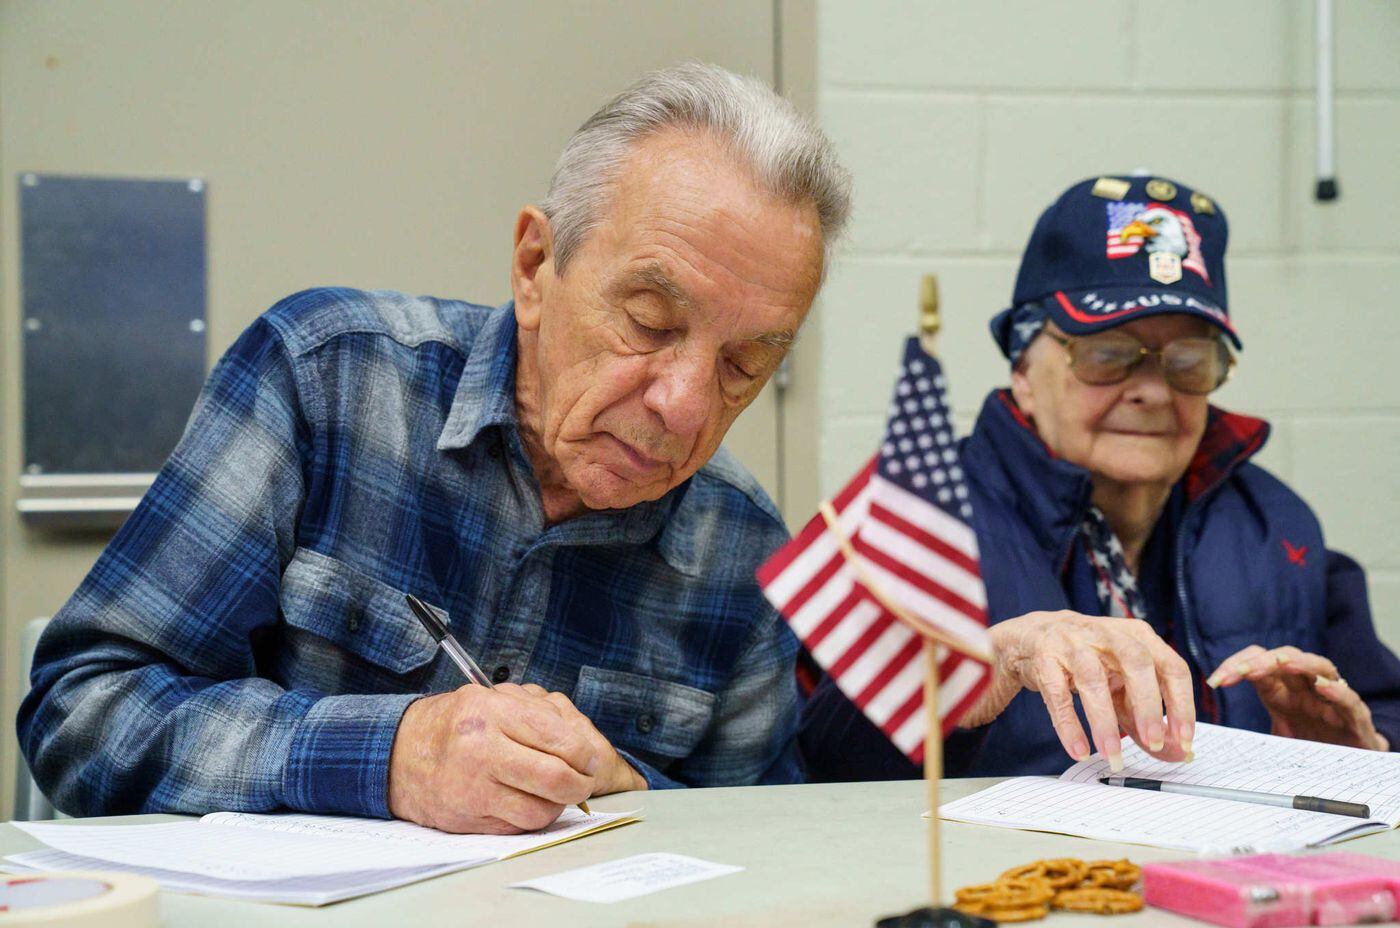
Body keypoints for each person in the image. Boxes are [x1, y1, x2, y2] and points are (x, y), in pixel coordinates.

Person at [18, 63, 851, 833]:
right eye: (650, 322)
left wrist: (633, 791)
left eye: (744, 366)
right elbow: (83, 713)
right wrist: (390, 756)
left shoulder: (740, 545)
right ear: (534, 266)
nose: (686, 405)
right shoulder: (328, 380)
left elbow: (764, 839)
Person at [801, 174, 1400, 780]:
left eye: (1189, 361)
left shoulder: (1275, 522)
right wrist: (974, 674)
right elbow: (812, 769)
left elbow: (1385, 710)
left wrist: (1365, 752)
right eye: (1107, 354)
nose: (1153, 391)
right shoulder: (909, 522)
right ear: (1023, 370)